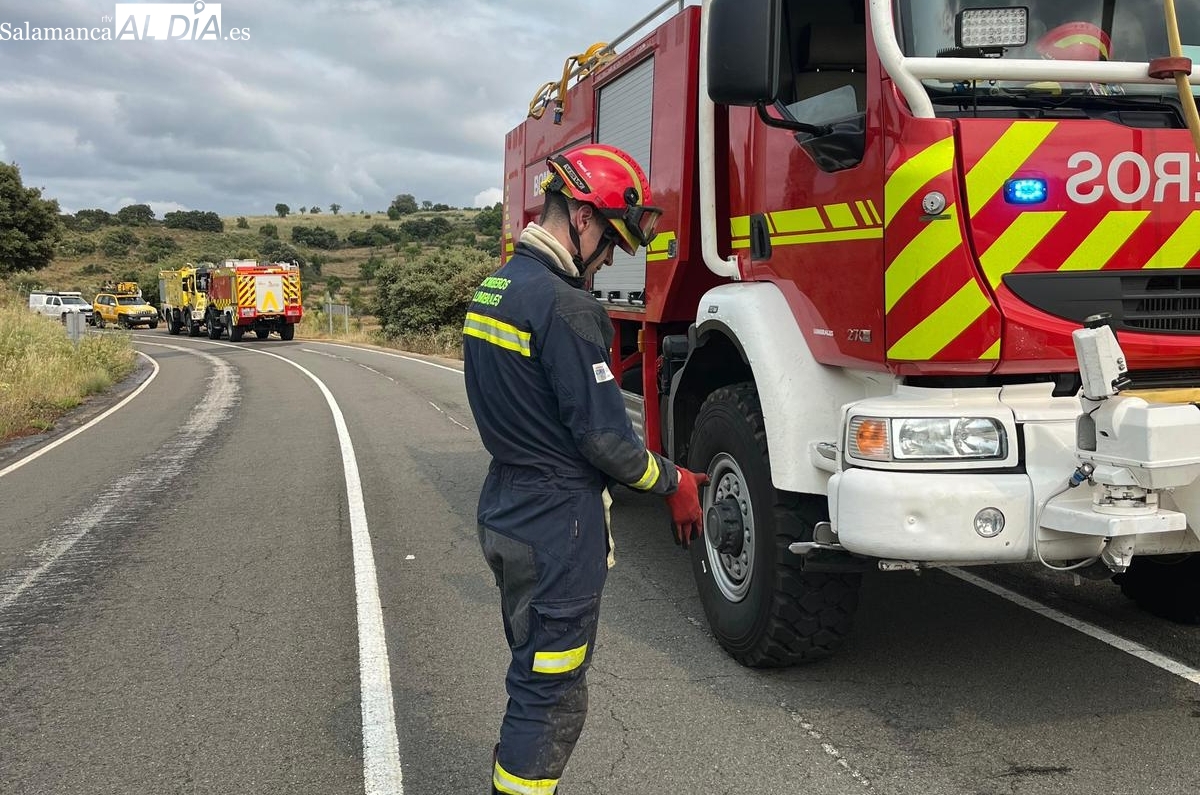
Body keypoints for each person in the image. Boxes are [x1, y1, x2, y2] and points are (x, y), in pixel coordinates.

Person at [462, 142, 708, 795]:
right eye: (610, 244)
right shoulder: (568, 308)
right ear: (582, 217)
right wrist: (675, 482)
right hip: (555, 526)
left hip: (505, 509)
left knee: (532, 667)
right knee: (551, 693)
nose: (609, 262)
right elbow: (607, 442)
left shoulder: (494, 288)